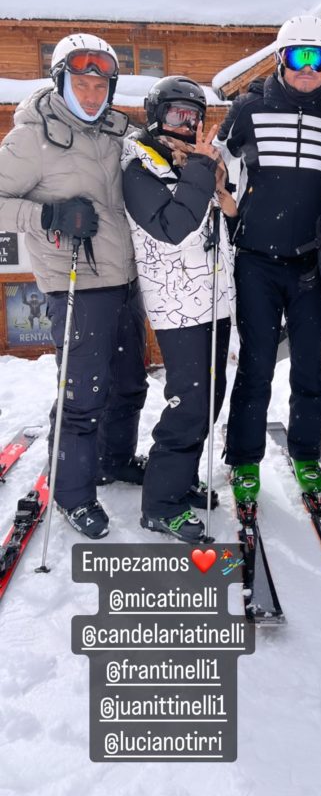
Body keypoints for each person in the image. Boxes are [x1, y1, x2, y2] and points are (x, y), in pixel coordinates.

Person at [0, 33, 148, 539]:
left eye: (100, 86)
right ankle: (72, 493)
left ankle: (115, 459)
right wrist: (47, 215)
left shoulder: (117, 133)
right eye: (81, 84)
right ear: (61, 82)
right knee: (83, 395)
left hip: (125, 280)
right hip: (76, 283)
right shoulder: (31, 138)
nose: (91, 95)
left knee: (129, 383)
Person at [216, 14, 321, 503]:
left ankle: (306, 454)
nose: (307, 69)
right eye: (297, 56)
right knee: (257, 363)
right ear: (280, 60)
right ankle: (244, 458)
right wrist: (221, 193)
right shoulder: (250, 107)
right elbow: (219, 158)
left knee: (309, 366)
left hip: (311, 261)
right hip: (257, 259)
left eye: (317, 58)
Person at [122, 76, 236, 542]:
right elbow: (172, 227)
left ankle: (181, 478)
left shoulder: (191, 161)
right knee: (189, 402)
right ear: (156, 115)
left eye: (195, 116)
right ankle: (160, 503)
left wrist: (220, 186)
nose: (187, 125)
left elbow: (218, 220)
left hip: (212, 298)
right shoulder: (140, 166)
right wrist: (203, 170)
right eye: (177, 114)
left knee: (210, 399)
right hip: (178, 305)